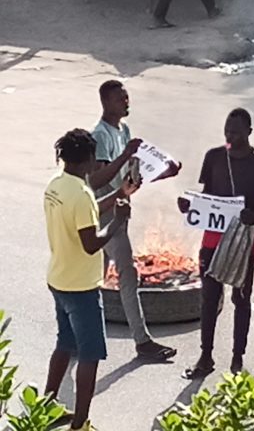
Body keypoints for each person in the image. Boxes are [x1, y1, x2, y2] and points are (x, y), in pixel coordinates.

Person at [44, 129, 138, 431]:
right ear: (85, 159)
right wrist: (119, 222)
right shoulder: (81, 193)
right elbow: (90, 242)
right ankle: (80, 423)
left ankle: (45, 407)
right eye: (93, 158)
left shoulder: (56, 185)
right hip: (81, 287)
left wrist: (119, 194)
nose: (96, 164)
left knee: (64, 343)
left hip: (58, 278)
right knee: (90, 354)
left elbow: (84, 214)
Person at [180, 108, 254, 378]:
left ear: (249, 132)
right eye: (227, 131)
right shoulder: (214, 157)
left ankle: (237, 357)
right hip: (212, 238)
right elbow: (206, 196)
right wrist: (190, 206)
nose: (230, 136)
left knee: (241, 298)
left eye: (235, 131)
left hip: (244, 243)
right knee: (209, 298)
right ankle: (206, 355)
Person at [90, 80, 179, 362]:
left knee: (96, 277)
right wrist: (127, 154)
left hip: (121, 209)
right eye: (120, 99)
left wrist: (164, 172)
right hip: (107, 212)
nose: (126, 103)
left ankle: (80, 334)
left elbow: (131, 174)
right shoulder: (101, 135)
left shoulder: (123, 130)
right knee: (127, 274)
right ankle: (142, 341)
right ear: (105, 102)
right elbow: (99, 179)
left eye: (127, 98)